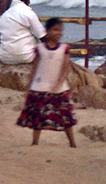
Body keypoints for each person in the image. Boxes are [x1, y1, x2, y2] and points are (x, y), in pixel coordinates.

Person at [16, 18, 77, 147]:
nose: (58, 33)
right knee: (38, 116)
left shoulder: (64, 48)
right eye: (55, 30)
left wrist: (59, 83)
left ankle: (72, 143)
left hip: (59, 89)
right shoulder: (39, 49)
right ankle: (35, 143)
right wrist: (29, 86)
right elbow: (35, 67)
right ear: (47, 31)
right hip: (39, 86)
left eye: (60, 30)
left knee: (66, 117)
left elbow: (66, 68)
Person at [0, 0, 45, 65]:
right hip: (25, 56)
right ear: (27, 0)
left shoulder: (4, 16)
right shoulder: (28, 13)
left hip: (4, 57)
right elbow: (42, 36)